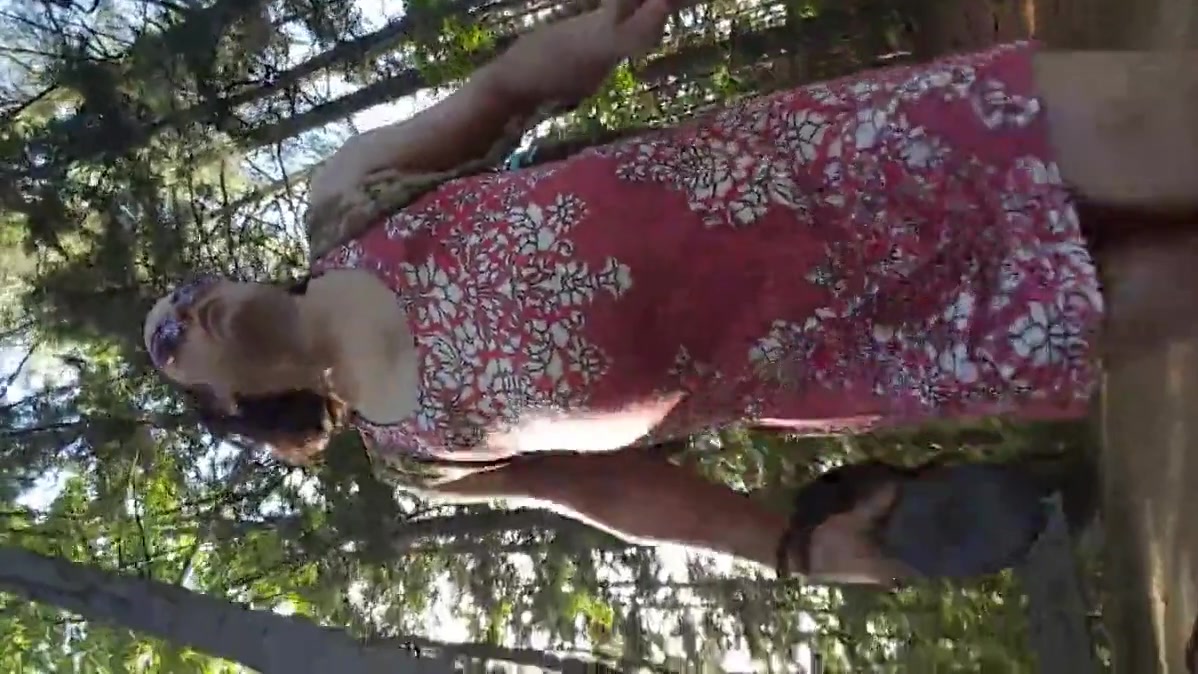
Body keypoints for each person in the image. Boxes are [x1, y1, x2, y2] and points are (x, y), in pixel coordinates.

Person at [143, 0, 1198, 584]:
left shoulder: (347, 207)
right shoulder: (418, 456)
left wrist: (589, 43)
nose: (188, 311)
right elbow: (606, 493)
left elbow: (503, 94)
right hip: (867, 340)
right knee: (1162, 285)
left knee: (1161, 127)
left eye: (185, 292)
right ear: (232, 404)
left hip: (843, 159)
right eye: (169, 340)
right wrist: (788, 545)